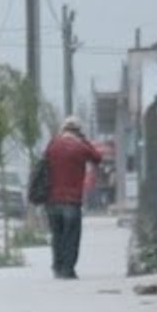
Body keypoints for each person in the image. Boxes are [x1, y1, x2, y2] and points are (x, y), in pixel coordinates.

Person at [45, 115, 102, 279]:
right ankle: (67, 269)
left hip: (53, 200)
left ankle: (57, 267)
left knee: (57, 236)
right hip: (72, 200)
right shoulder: (80, 147)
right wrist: (84, 140)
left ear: (63, 129)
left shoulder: (53, 145)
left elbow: (45, 161)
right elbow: (97, 158)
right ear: (78, 131)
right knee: (71, 237)